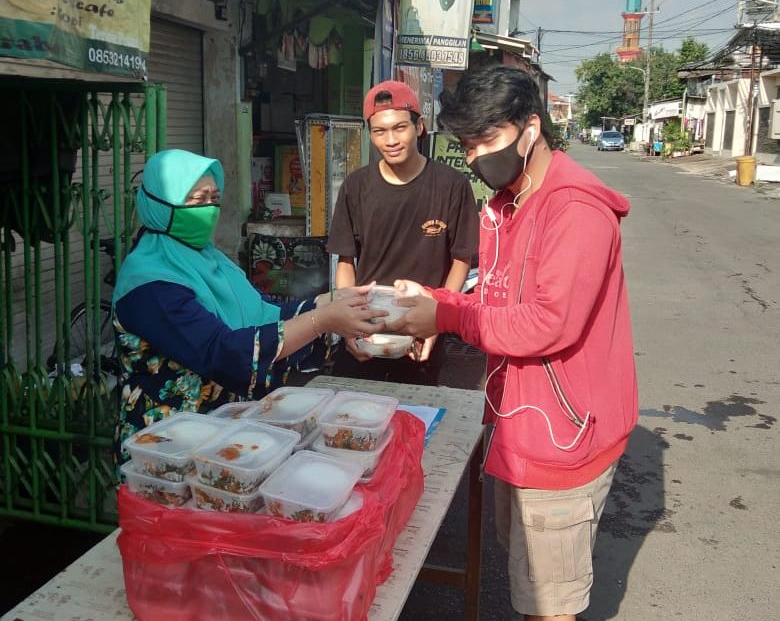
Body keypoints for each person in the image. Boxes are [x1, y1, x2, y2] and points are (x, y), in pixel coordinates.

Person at [387, 65, 638, 621]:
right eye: (467, 144)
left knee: (550, 606)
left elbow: (549, 324)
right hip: (523, 424)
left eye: (488, 139)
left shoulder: (574, 210)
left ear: (531, 128)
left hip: (564, 435)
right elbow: (499, 304)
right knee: (528, 585)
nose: (476, 156)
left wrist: (445, 318)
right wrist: (436, 303)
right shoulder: (507, 203)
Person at [112, 149, 384, 454]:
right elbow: (223, 351)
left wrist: (324, 304)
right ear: (161, 205)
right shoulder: (149, 284)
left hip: (225, 440)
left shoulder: (210, 260)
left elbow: (260, 313)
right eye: (198, 200)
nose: (210, 210)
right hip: (167, 453)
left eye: (214, 199)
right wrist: (321, 320)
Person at [326, 80, 479, 385]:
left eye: (400, 128)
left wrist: (438, 319)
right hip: (367, 325)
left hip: (421, 328)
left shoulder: (451, 186)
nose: (391, 140)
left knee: (417, 420)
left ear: (419, 126)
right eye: (380, 131)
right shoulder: (356, 187)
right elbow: (346, 261)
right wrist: (347, 323)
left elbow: (461, 259)